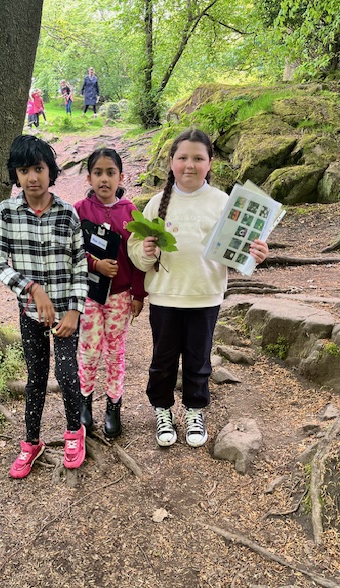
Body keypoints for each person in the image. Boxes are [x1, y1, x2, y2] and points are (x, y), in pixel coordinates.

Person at [127, 129, 269, 449]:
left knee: (198, 359)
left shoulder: (224, 203)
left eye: (197, 158)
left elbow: (241, 250)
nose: (189, 165)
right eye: (182, 157)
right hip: (165, 297)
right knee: (163, 360)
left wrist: (256, 254)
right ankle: (163, 410)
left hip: (205, 296)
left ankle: (194, 411)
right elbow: (136, 251)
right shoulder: (156, 204)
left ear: (210, 162)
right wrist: (145, 251)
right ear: (171, 162)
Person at [0, 135, 89, 478]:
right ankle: (32, 442)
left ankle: (75, 432)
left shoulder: (67, 213)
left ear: (50, 171)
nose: (32, 177)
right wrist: (32, 288)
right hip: (30, 313)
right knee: (36, 377)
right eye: (24, 170)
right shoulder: (7, 212)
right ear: (15, 175)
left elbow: (80, 264)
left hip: (66, 316)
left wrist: (75, 311)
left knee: (67, 373)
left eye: (38, 168)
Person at [74, 148, 146, 438]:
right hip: (89, 295)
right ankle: (84, 402)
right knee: (89, 349)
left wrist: (138, 294)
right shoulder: (79, 211)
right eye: (98, 173)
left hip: (120, 297)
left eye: (110, 173)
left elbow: (139, 257)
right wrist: (95, 264)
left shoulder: (131, 212)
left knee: (115, 352)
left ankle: (113, 406)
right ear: (89, 178)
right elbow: (70, 250)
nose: (104, 179)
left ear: (121, 177)